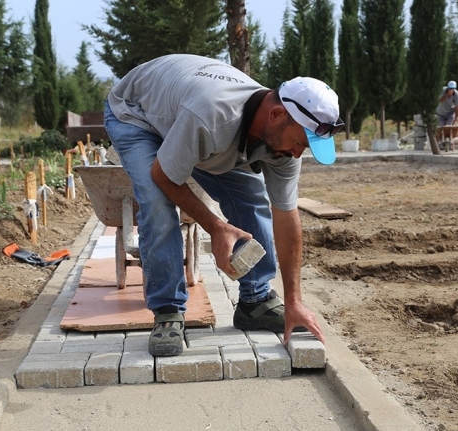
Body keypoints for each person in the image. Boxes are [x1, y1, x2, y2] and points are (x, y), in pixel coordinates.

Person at [104, 54, 341, 356]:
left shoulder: (283, 140)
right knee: (157, 200)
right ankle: (167, 310)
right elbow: (163, 177)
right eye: (300, 143)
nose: (297, 154)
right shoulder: (213, 115)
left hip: (188, 119)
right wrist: (215, 227)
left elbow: (286, 215)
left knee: (252, 198)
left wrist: (294, 300)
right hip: (136, 112)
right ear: (277, 115)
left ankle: (255, 301)